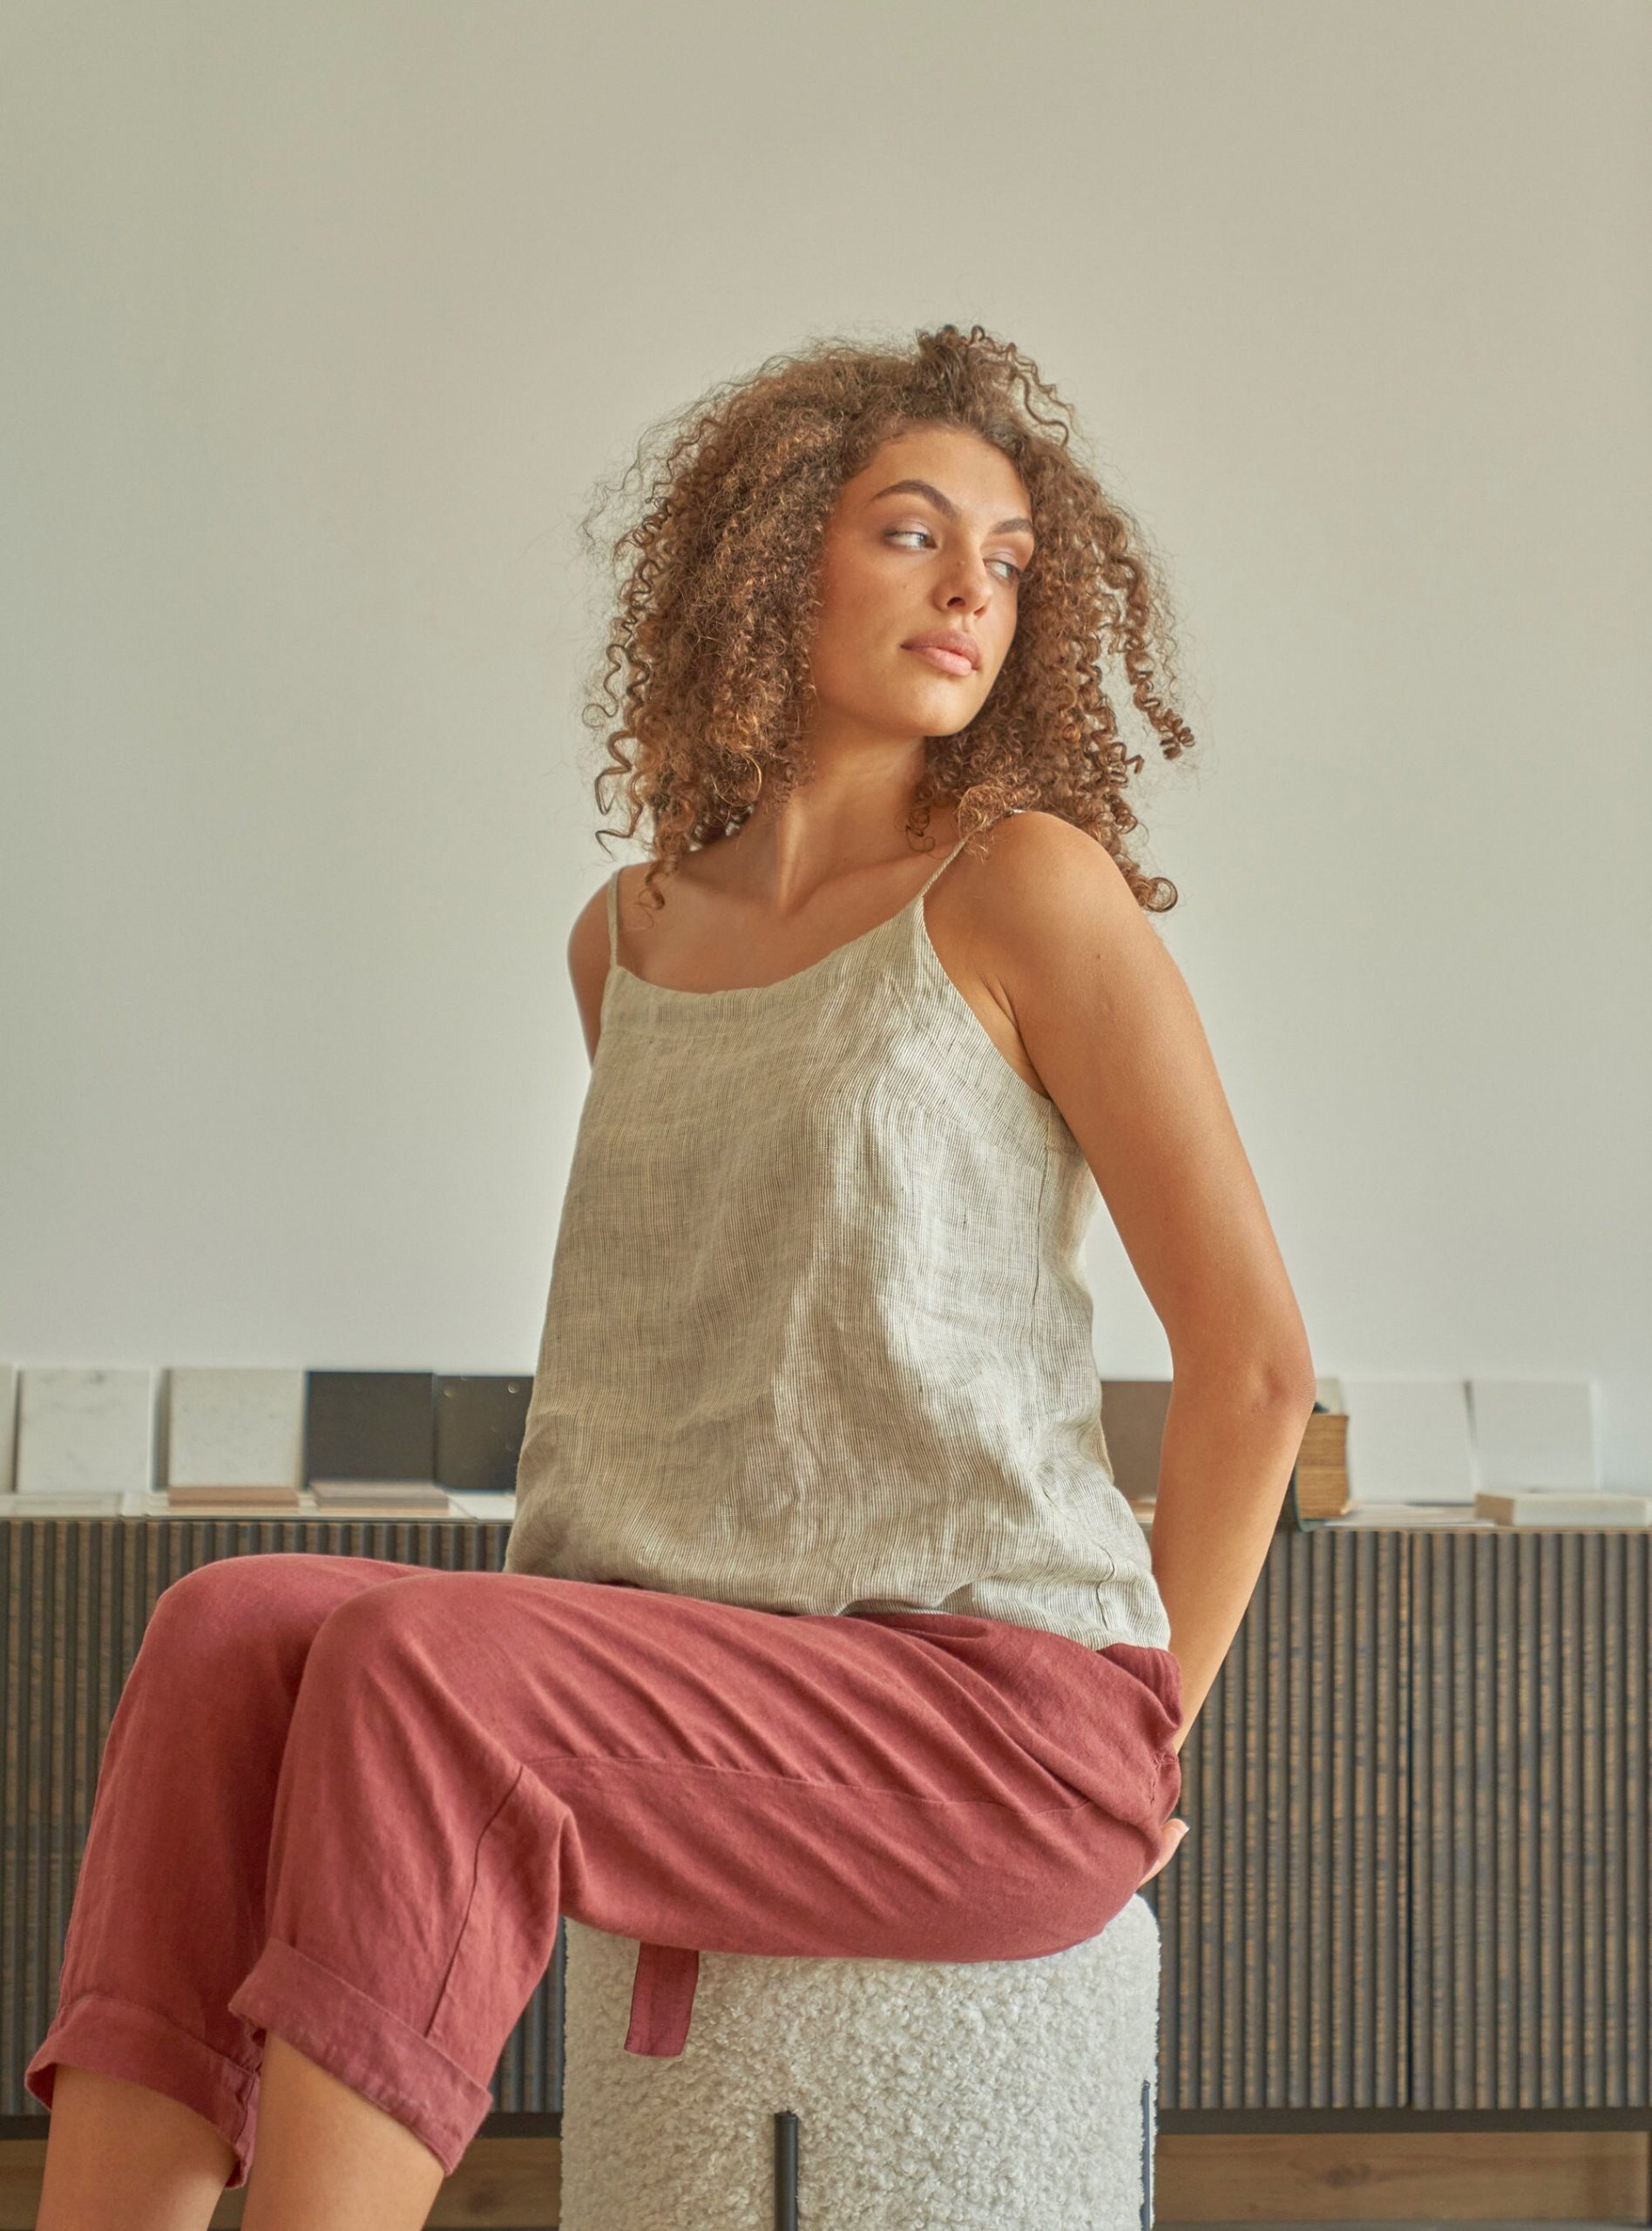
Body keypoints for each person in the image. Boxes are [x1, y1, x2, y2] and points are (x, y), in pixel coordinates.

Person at [25, 323, 1317, 2230]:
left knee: (422, 1666)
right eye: (911, 531)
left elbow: (1257, 1365)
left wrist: (1143, 1738)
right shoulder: (624, 940)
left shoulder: (1024, 885)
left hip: (986, 1707)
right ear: (773, 550)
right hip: (709, 1664)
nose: (976, 586)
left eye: (1014, 556)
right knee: (226, 1627)